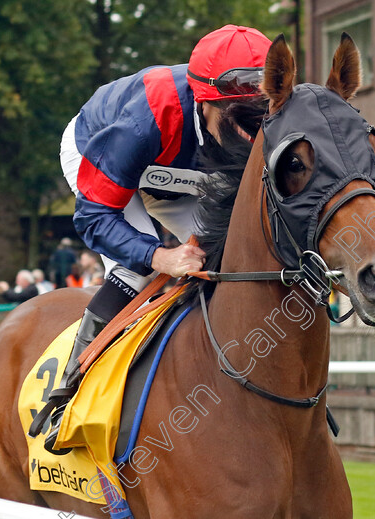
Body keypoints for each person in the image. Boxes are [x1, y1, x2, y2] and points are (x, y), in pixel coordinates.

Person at [40, 25, 272, 451]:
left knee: (226, 261)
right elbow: (94, 217)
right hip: (101, 150)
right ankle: (69, 397)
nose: (248, 133)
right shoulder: (145, 118)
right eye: (237, 117)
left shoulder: (264, 114)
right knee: (137, 271)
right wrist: (159, 257)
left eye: (258, 116)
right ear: (204, 103)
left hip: (182, 168)